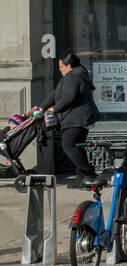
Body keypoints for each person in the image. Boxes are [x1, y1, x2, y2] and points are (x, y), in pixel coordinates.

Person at [38, 53, 100, 184]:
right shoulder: (72, 75)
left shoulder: (73, 76)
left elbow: (68, 97)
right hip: (81, 116)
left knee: (68, 144)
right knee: (76, 145)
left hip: (77, 117)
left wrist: (54, 109)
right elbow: (55, 94)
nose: (59, 69)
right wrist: (41, 108)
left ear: (69, 65)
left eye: (61, 66)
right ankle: (83, 176)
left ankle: (88, 172)